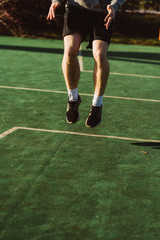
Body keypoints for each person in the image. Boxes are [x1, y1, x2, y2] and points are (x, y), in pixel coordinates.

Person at [47, 0, 126, 128]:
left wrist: (114, 6)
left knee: (100, 54)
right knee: (70, 50)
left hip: (103, 12)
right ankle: (73, 99)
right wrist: (56, 2)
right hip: (76, 10)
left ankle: (97, 105)